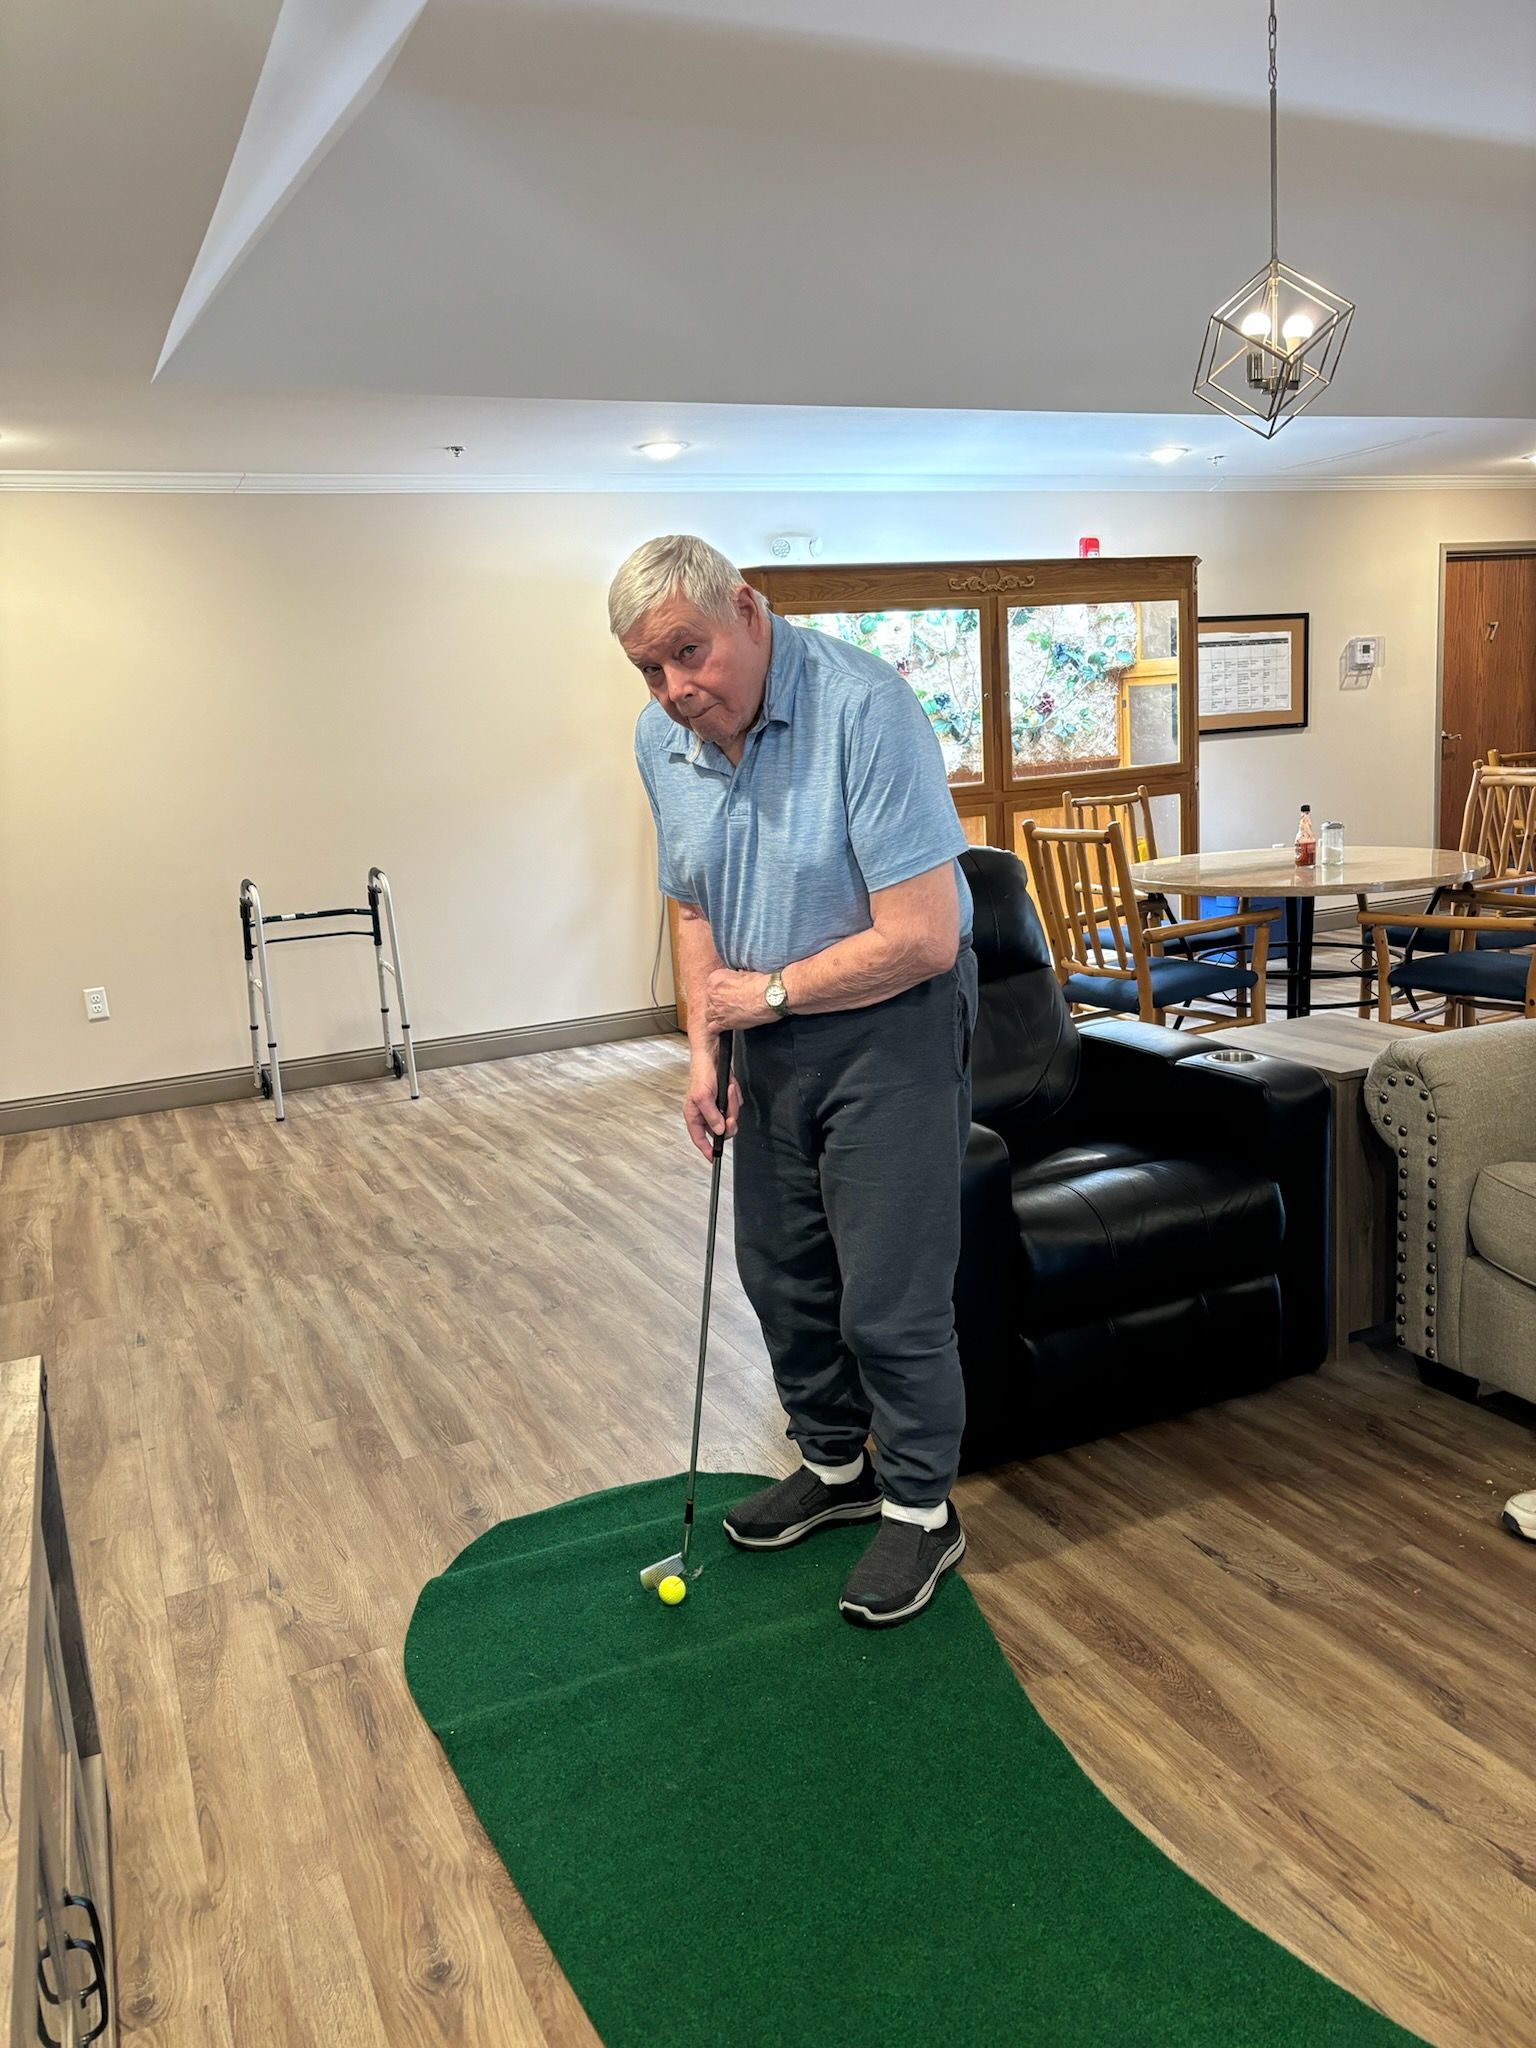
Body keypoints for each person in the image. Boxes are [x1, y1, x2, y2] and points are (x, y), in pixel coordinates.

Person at [609, 534, 977, 1629]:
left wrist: (761, 998)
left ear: (749, 610)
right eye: (650, 668)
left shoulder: (865, 709)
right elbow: (692, 903)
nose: (676, 688)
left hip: (891, 1027)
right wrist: (706, 1047)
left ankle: (920, 1507)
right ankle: (834, 1464)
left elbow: (925, 937)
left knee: (889, 1296)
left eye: (690, 651)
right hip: (763, 1027)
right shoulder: (660, 740)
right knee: (781, 1273)